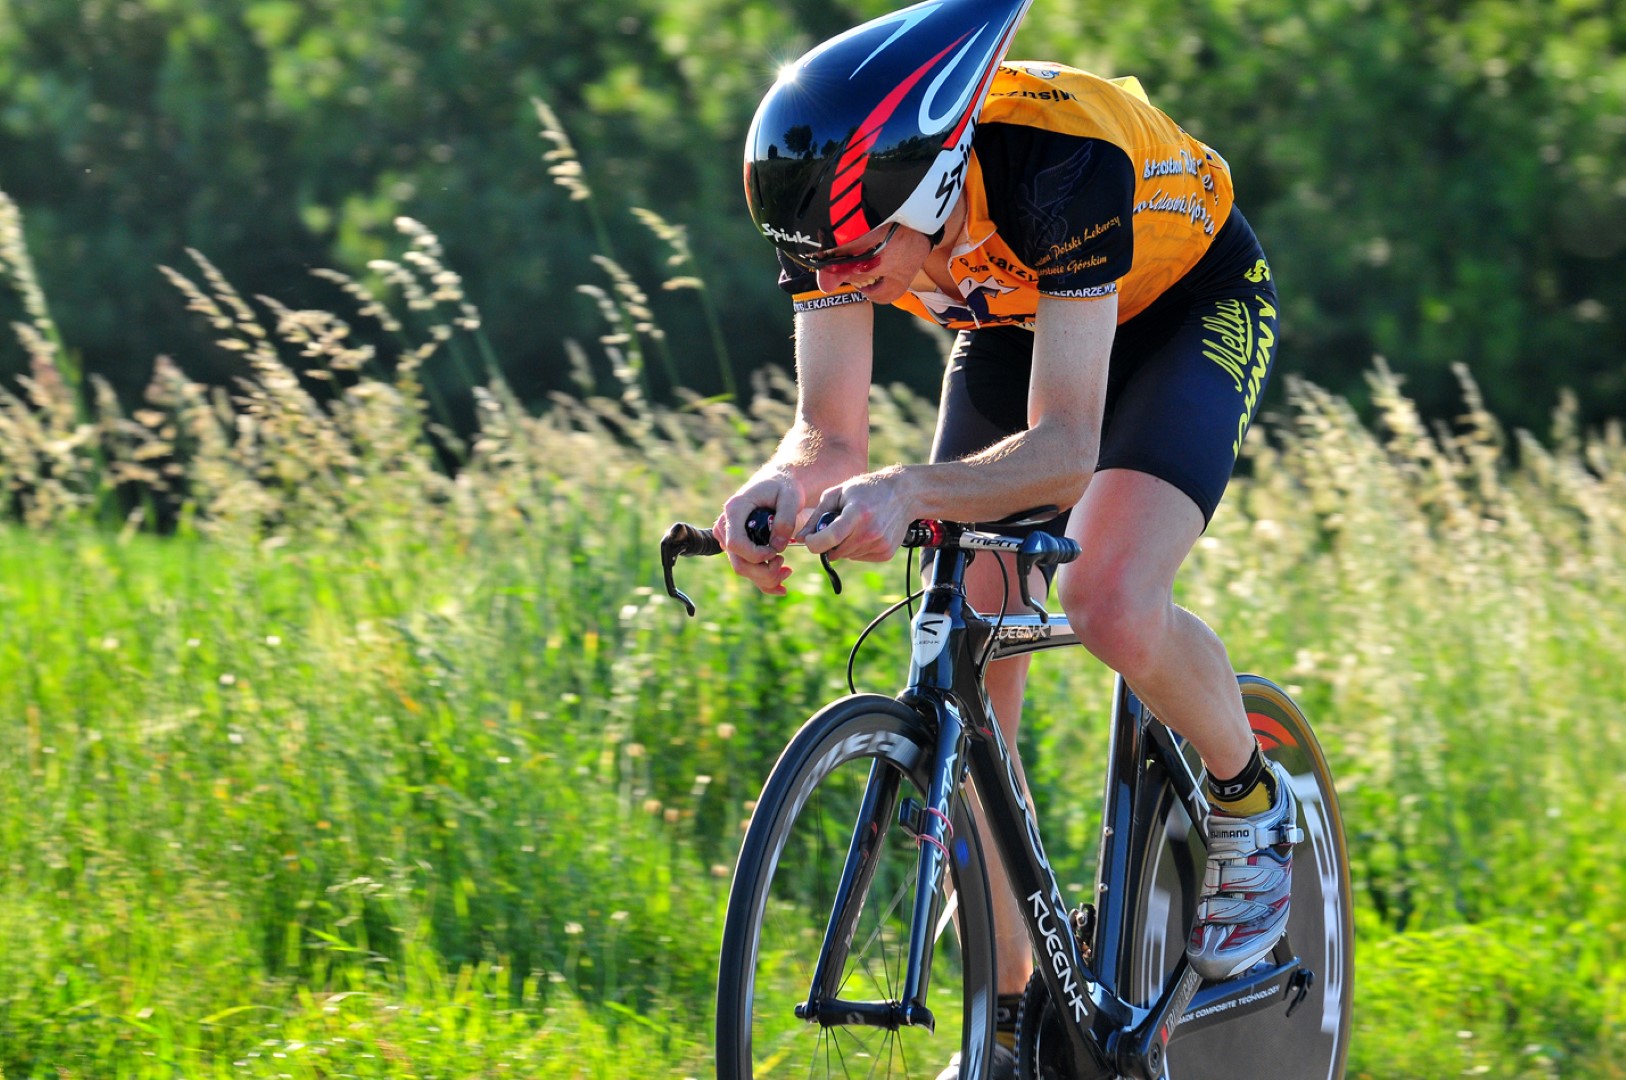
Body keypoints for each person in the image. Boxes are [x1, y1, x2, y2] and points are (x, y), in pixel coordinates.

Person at [717, 1, 1299, 1074]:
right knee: (969, 637)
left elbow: (1067, 449)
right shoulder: (831, 212)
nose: (836, 282)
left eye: (858, 258)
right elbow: (828, 435)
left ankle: (1249, 801)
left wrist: (908, 488)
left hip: (1184, 304)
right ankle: (1016, 1019)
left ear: (931, 186)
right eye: (816, 264)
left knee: (1108, 596)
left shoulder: (1056, 162)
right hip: (1019, 317)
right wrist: (778, 486)